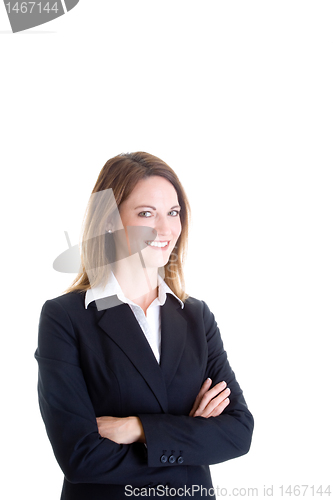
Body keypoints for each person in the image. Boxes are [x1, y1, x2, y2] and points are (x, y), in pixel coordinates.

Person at [35, 152, 254, 500]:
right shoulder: (66, 318)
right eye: (146, 213)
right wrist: (190, 440)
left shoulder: (196, 317)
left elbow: (238, 433)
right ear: (110, 221)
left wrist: (136, 428)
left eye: (173, 212)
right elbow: (80, 457)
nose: (166, 229)